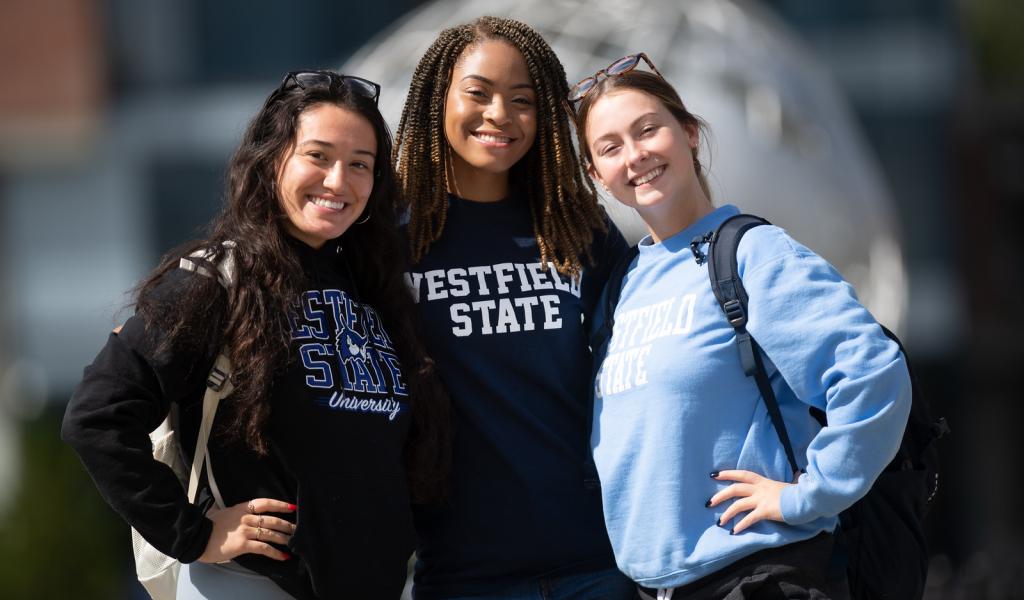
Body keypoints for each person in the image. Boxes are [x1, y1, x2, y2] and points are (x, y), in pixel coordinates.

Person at [61, 70, 450, 599]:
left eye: (360, 165)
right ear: (272, 161)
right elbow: (98, 416)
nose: (339, 181)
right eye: (318, 156)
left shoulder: (378, 292)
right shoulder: (217, 280)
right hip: (251, 584)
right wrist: (193, 534)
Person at [573, 55, 912, 599]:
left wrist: (808, 495)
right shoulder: (623, 284)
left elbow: (873, 372)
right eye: (609, 147)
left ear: (688, 133)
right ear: (596, 175)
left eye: (647, 130)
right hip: (652, 589)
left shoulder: (752, 254)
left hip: (758, 579)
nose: (634, 156)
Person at [392, 16, 634, 600]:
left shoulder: (577, 227)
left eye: (522, 100)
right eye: (478, 93)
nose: (499, 114)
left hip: (600, 564)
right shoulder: (391, 241)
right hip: (462, 575)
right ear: (436, 99)